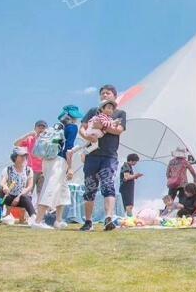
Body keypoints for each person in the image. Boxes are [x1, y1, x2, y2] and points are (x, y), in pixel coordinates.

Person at [79, 85, 127, 232]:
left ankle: (108, 218)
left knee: (108, 185)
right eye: (102, 93)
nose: (105, 95)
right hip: (92, 155)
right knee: (90, 187)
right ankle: (88, 221)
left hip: (109, 156)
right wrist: (87, 135)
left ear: (114, 96)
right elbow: (82, 127)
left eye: (108, 93)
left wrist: (103, 126)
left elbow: (119, 130)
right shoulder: (93, 111)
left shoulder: (119, 113)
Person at [31, 106, 82, 230]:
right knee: (51, 188)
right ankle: (38, 221)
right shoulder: (72, 127)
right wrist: (70, 167)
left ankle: (58, 220)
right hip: (59, 161)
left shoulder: (56, 126)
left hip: (47, 160)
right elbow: (68, 149)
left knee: (62, 189)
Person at [0, 147, 36, 221]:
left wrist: (18, 197)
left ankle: (33, 217)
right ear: (15, 157)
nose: (24, 158)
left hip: (22, 198)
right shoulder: (8, 169)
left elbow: (30, 186)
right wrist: (5, 187)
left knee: (25, 197)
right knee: (0, 191)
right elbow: (2, 182)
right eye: (21, 156)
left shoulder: (29, 170)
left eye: (25, 156)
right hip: (10, 197)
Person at [13, 120, 47, 198]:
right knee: (27, 193)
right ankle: (26, 209)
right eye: (39, 127)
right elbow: (16, 144)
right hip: (31, 171)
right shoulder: (30, 139)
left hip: (43, 171)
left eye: (43, 127)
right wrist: (28, 135)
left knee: (42, 195)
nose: (41, 129)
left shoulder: (48, 141)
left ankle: (40, 210)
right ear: (35, 129)